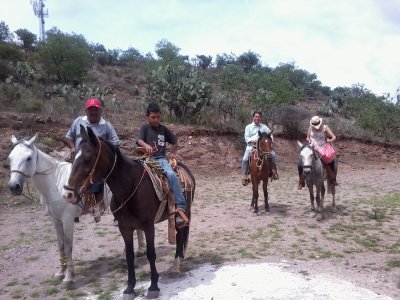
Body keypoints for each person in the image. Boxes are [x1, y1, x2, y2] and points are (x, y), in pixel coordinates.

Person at [65, 98, 120, 223]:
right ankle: (74, 207)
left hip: (97, 160)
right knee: (70, 176)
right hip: (80, 157)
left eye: (96, 110)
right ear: (86, 111)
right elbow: (68, 137)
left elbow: (116, 143)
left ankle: (100, 205)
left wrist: (105, 153)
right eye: (91, 110)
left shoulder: (106, 125)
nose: (93, 112)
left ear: (100, 111)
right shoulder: (79, 121)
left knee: (98, 174)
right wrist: (73, 149)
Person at [137, 102, 188, 227]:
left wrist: (173, 152)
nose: (156, 120)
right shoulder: (145, 128)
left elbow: (174, 140)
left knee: (171, 174)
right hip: (145, 158)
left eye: (158, 117)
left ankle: (180, 206)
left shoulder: (163, 129)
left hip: (160, 159)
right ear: (147, 117)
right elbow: (139, 140)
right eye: (153, 117)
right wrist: (146, 145)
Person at [297, 115, 338, 190]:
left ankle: (332, 178)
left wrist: (330, 140)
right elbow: (307, 137)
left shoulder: (325, 127)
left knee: (330, 159)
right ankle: (301, 181)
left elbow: (334, 137)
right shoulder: (310, 127)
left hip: (323, 147)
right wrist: (309, 140)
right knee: (300, 161)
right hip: (312, 146)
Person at [241, 111, 279, 186]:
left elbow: (270, 136)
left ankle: (274, 171)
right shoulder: (248, 127)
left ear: (261, 118)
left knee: (273, 155)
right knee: (245, 159)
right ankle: (245, 176)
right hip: (251, 146)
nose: (257, 118)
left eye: (259, 117)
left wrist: (269, 141)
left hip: (262, 147)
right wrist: (253, 140)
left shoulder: (264, 127)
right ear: (253, 117)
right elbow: (246, 138)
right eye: (256, 116)